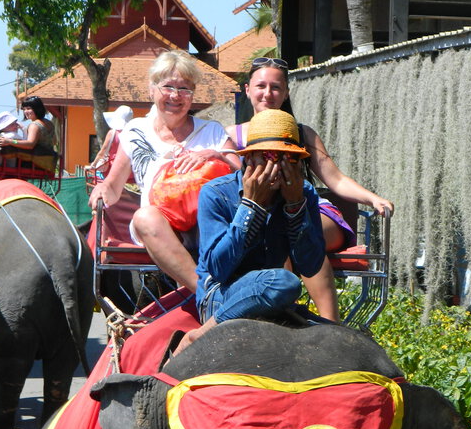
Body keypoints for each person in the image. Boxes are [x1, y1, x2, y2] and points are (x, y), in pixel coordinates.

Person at [229, 57, 394, 321]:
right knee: (277, 234)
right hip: (264, 218)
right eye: (261, 86)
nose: (268, 94)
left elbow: (335, 179)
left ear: (286, 93)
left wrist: (372, 198)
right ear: (248, 89)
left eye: (276, 87)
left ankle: (330, 325)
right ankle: (281, 319)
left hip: (310, 212)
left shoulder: (302, 133)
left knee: (299, 233)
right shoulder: (231, 137)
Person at [88, 50, 238, 291]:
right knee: (145, 217)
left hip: (208, 224)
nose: (175, 96)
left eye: (185, 89)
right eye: (168, 86)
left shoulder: (212, 132)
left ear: (192, 95)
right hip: (159, 227)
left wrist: (217, 155)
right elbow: (114, 187)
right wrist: (103, 188)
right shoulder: (135, 131)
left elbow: (243, 175)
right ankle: (207, 294)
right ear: (152, 89)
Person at [180, 108, 325, 350]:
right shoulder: (216, 193)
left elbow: (310, 266)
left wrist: (295, 205)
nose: (277, 166)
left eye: (288, 158)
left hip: (269, 297)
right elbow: (218, 269)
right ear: (249, 158)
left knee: (331, 332)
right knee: (284, 282)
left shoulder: (303, 192)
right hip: (222, 296)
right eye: (269, 156)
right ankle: (204, 333)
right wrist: (251, 206)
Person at [86, 105, 134, 175]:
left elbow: (102, 152)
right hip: (128, 171)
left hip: (113, 170)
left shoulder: (112, 133)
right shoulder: (132, 134)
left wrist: (93, 165)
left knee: (98, 179)